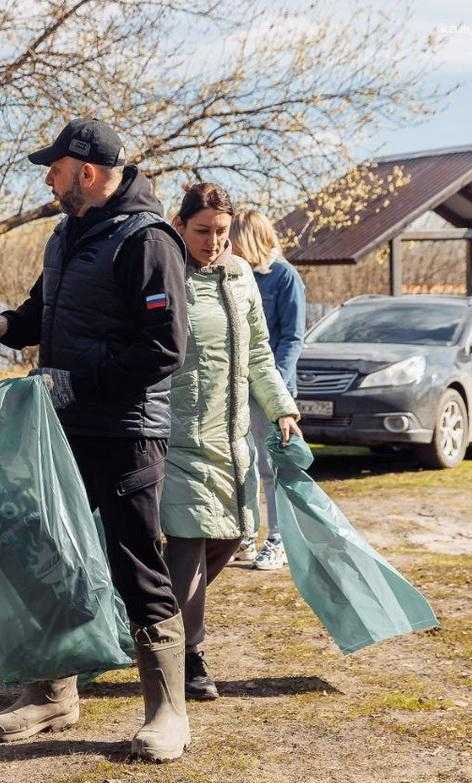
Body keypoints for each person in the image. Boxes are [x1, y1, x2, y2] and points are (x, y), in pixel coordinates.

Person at [0, 119, 191, 762]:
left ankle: (167, 712)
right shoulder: (68, 235)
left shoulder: (147, 241)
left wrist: (79, 380)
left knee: (135, 566)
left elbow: (163, 348)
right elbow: (45, 313)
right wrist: (8, 324)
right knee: (53, 556)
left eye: (55, 167)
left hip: (126, 434)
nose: (47, 177)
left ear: (87, 172)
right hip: (64, 426)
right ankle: (53, 694)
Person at [161, 183, 300, 701]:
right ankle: (189, 654)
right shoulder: (166, 271)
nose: (213, 241)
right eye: (202, 231)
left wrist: (281, 406)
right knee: (189, 541)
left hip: (232, 432)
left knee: (234, 536)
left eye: (221, 231)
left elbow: (260, 351)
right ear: (181, 225)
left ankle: (155, 621)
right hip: (176, 433)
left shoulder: (241, 275)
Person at [229, 209, 306, 570]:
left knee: (271, 467)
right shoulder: (236, 275)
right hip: (237, 387)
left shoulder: (284, 277)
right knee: (242, 463)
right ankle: (245, 535)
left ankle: (279, 539)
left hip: (270, 387)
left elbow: (292, 336)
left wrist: (277, 385)